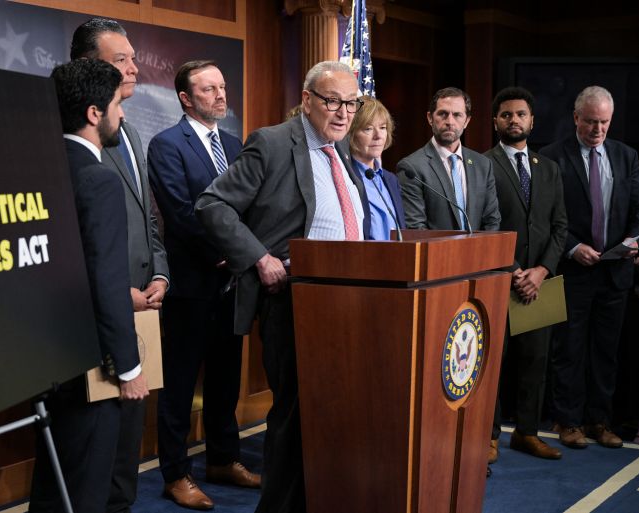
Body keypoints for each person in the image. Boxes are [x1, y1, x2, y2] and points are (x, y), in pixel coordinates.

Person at [195, 60, 366, 513]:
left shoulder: (342, 150)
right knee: (295, 416)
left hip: (351, 301)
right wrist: (259, 258)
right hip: (296, 301)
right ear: (307, 100)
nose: (344, 112)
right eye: (333, 101)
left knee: (332, 416)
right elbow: (212, 205)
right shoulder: (272, 143)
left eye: (351, 103)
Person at [30, 58, 150, 513]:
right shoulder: (97, 178)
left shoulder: (39, 165)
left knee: (55, 479)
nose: (122, 114)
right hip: (89, 363)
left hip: (45, 356)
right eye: (118, 104)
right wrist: (129, 367)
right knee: (86, 487)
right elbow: (105, 279)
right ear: (95, 113)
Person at [147, 60, 257, 510]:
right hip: (191, 283)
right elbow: (180, 212)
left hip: (232, 284)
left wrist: (242, 254)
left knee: (225, 379)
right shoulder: (167, 144)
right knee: (178, 384)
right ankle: (175, 474)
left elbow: (250, 207)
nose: (220, 95)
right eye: (208, 89)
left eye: (223, 86)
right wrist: (228, 252)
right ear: (186, 98)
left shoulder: (235, 144)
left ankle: (223, 458)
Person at [69, 18, 169, 513]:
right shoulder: (76, 135)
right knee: (93, 454)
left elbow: (149, 217)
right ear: (89, 67)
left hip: (143, 306)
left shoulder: (126, 129)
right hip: (98, 317)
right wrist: (117, 292)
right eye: (120, 60)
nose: (134, 68)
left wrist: (160, 273)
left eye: (133, 57)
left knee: (126, 446)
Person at [540, 85, 639, 449]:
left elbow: (637, 213)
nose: (598, 129)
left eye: (604, 122)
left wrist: (635, 240)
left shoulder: (627, 157)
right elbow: (546, 218)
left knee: (605, 352)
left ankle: (600, 421)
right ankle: (567, 421)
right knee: (569, 350)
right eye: (591, 122)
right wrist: (572, 247)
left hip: (615, 274)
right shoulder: (551, 158)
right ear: (576, 118)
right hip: (573, 272)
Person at [484, 86, 567, 462]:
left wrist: (542, 269)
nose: (513, 120)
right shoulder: (482, 164)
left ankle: (528, 433)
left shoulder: (549, 168)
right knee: (494, 363)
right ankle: (489, 437)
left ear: (532, 121)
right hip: (500, 278)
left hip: (541, 282)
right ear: (495, 121)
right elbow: (486, 224)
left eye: (520, 114)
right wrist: (516, 269)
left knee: (537, 362)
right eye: (506, 114)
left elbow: (560, 226)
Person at [397, 87, 500, 231]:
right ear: (430, 118)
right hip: (437, 253)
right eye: (443, 114)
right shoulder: (411, 167)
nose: (450, 121)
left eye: (457, 115)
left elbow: (492, 220)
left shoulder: (482, 164)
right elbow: (416, 227)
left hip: (478, 252)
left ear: (467, 121)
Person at [348, 95, 405, 240]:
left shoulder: (391, 180)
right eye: (368, 129)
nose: (378, 135)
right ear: (351, 133)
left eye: (383, 127)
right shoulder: (345, 177)